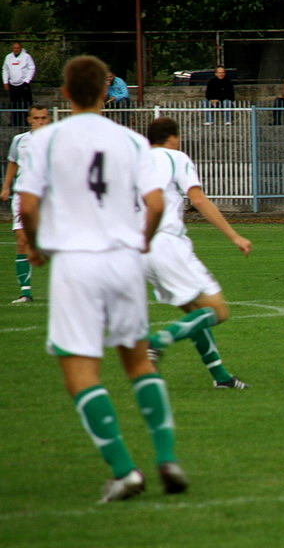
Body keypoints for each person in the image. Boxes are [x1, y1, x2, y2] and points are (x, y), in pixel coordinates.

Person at [15, 55, 188, 502]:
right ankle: (167, 457)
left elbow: (29, 207)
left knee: (80, 370)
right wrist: (143, 241)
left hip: (77, 262)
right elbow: (153, 206)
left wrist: (34, 245)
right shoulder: (131, 141)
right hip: (124, 260)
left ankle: (126, 471)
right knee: (137, 361)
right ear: (107, 91)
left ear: (66, 94)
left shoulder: (47, 140)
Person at [142, 116, 252, 389]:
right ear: (173, 137)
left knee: (194, 311)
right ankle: (157, 343)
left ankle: (221, 377)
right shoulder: (177, 157)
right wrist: (235, 235)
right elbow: (199, 200)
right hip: (167, 243)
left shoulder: (136, 162)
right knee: (218, 310)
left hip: (140, 249)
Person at [1, 104, 50, 303]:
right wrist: (6, 187)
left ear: (49, 120)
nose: (40, 121)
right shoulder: (19, 140)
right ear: (29, 120)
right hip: (23, 195)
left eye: (44, 118)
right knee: (22, 241)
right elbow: (13, 163)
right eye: (36, 118)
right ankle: (26, 292)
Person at [3, 41, 35, 126]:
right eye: (14, 48)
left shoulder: (26, 57)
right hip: (13, 84)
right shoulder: (8, 57)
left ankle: (26, 122)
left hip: (24, 84)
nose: (16, 50)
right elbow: (5, 70)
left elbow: (32, 68)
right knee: (14, 103)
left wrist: (27, 80)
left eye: (17, 48)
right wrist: (5, 82)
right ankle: (15, 121)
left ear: (20, 48)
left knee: (26, 103)